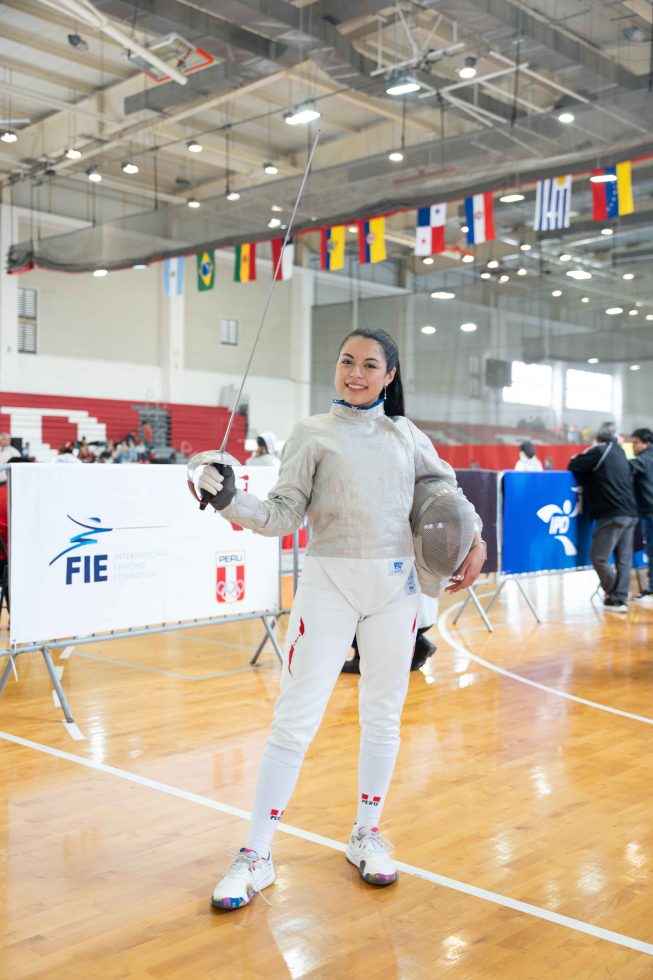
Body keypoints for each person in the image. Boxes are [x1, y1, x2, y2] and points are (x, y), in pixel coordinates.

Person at [196, 327, 486, 909]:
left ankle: (366, 833)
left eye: (369, 365)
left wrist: (474, 539)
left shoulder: (406, 436)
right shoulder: (312, 433)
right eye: (347, 361)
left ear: (389, 376)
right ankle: (256, 854)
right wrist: (231, 500)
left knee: (384, 717)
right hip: (328, 586)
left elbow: (445, 491)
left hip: (396, 590)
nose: (356, 373)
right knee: (294, 721)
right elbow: (281, 515)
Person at [568, 422, 638, 613]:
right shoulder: (621, 453)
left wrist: (587, 451)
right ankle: (619, 598)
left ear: (597, 441)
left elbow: (574, 463)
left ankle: (614, 593)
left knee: (598, 557)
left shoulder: (600, 451)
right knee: (624, 560)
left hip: (612, 513)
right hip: (631, 513)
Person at [342, 593, 438, 674]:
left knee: (349, 620)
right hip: (425, 615)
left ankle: (361, 658)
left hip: (409, 620)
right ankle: (420, 644)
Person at [629, 427, 653, 601]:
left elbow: (625, 466)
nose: (633, 446)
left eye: (636, 442)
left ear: (647, 443)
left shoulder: (644, 459)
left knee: (651, 550)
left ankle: (652, 589)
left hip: (649, 511)